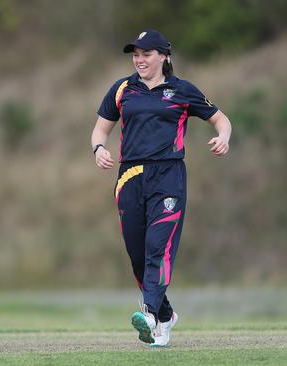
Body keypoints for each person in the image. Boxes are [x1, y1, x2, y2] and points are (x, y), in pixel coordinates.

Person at [91, 29, 232, 348]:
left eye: (146, 54)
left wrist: (223, 138)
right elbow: (100, 130)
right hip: (130, 177)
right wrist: (99, 149)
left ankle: (151, 315)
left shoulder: (182, 90)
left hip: (168, 175)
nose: (139, 60)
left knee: (158, 248)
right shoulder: (122, 89)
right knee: (138, 256)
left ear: (164, 56)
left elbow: (221, 120)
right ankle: (167, 316)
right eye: (135, 54)